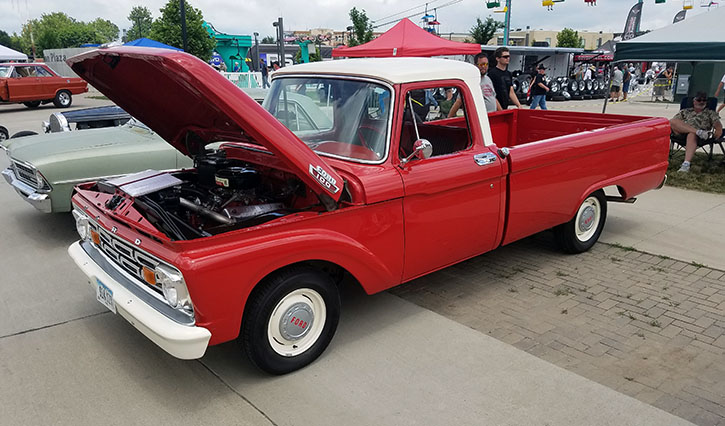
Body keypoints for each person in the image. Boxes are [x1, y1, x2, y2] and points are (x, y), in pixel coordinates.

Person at [670, 91, 723, 172]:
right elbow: (675, 122)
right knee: (672, 121)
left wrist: (719, 129)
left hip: (700, 137)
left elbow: (717, 123)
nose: (701, 102)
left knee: (692, 135)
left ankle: (686, 164)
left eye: (704, 100)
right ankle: (697, 131)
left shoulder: (710, 113)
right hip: (682, 133)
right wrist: (697, 131)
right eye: (699, 100)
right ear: (694, 101)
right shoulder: (685, 111)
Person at [448, 52, 502, 117]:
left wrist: (501, 113)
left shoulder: (488, 79)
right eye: (481, 64)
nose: (484, 67)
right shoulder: (471, 80)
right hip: (480, 118)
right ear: (475, 65)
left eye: (486, 64)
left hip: (492, 116)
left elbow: (493, 97)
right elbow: (459, 101)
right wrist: (449, 117)